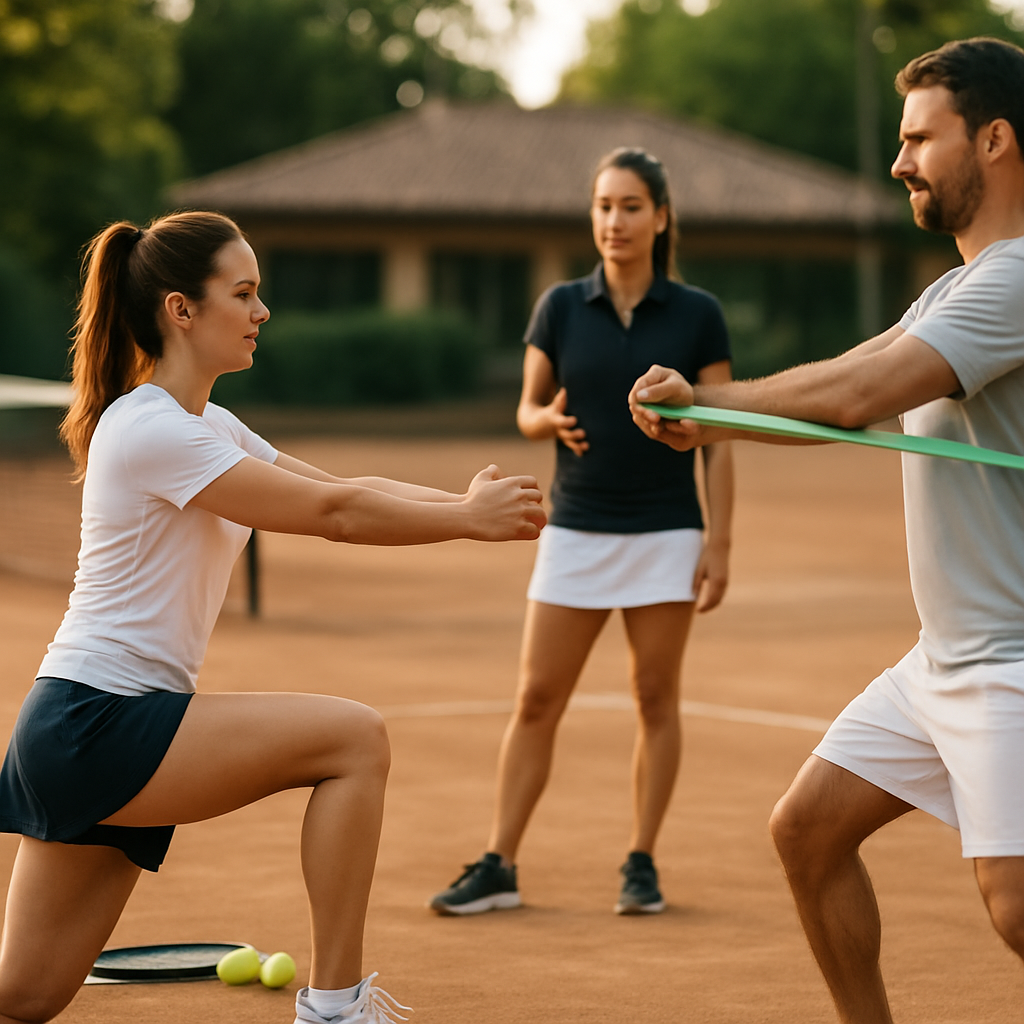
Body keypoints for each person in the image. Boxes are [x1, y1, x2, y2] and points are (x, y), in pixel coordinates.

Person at [0, 211, 546, 1024]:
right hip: (98, 722)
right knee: (354, 739)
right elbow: (334, 513)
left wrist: (467, 507)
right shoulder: (150, 428)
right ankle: (335, 1007)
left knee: (24, 996)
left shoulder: (205, 425)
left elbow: (344, 485)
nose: (262, 313)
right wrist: (468, 518)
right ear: (181, 310)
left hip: (79, 728)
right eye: (244, 294)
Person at [629, 37, 1024, 1022]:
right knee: (808, 830)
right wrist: (715, 409)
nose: (899, 162)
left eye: (918, 139)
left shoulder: (1016, 282)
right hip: (944, 660)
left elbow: (854, 394)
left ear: (996, 140)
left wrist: (712, 404)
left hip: (1012, 660)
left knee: (1016, 906)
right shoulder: (956, 289)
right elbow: (843, 392)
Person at [428, 148, 734, 918]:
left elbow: (720, 435)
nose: (614, 221)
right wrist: (546, 420)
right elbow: (528, 408)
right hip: (578, 527)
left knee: (655, 697)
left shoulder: (698, 314)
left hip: (667, 529)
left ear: (660, 216)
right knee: (536, 698)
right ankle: (499, 863)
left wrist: (720, 545)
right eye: (603, 206)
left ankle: (641, 862)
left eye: (630, 206)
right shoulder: (561, 305)